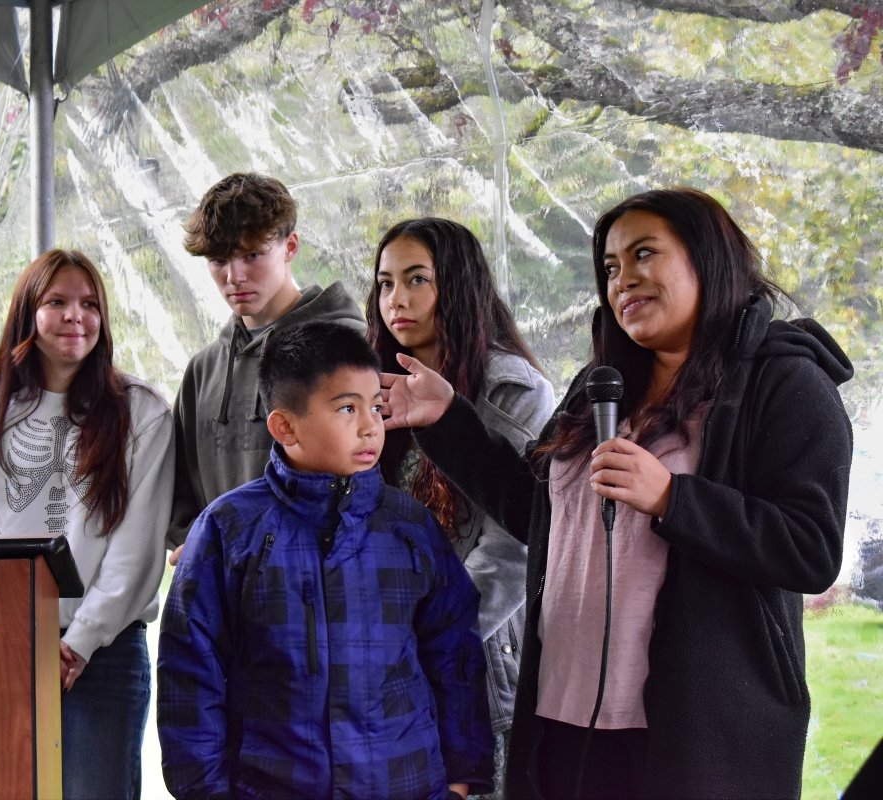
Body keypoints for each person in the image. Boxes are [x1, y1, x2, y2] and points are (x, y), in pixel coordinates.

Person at [380, 188, 852, 799]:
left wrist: (673, 499)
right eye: (609, 267)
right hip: (563, 718)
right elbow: (537, 516)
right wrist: (449, 419)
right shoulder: (600, 388)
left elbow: (810, 548)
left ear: (707, 259)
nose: (622, 279)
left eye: (644, 255)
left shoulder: (784, 382)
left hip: (689, 736)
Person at [158, 320, 494, 800]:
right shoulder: (228, 530)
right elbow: (189, 675)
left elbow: (455, 655)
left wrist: (459, 782)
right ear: (285, 426)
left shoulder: (410, 528)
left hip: (406, 784)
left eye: (375, 408)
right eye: (346, 408)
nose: (369, 427)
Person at [0, 249, 174, 800]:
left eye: (90, 304)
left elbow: (137, 547)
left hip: (106, 652)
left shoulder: (142, 412)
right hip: (5, 643)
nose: (77, 316)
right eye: (58, 302)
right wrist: (18, 634)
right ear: (28, 312)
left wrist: (81, 641)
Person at [368, 217, 555, 798]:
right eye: (384, 283)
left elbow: (514, 546)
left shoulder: (512, 389)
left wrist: (427, 641)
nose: (396, 300)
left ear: (458, 285)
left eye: (416, 279)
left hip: (479, 662)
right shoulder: (371, 387)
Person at [167, 173, 365, 564]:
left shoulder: (348, 348)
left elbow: (368, 477)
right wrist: (200, 547)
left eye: (252, 255)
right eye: (218, 260)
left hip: (324, 595)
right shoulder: (202, 371)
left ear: (290, 246)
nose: (234, 276)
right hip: (224, 598)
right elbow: (179, 493)